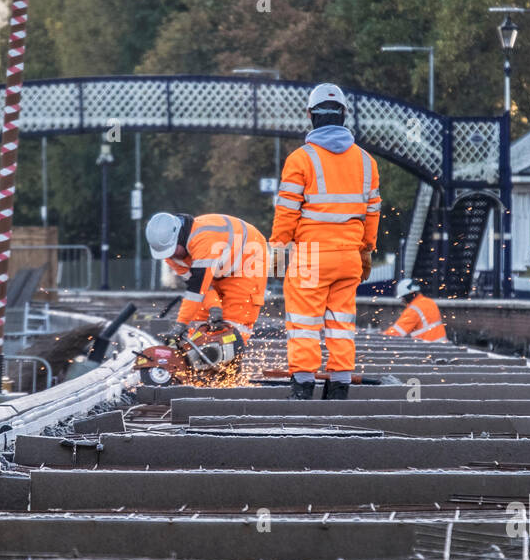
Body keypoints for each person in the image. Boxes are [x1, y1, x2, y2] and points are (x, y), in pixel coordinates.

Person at [270, 82, 381, 400]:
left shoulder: (300, 159)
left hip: (312, 257)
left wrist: (278, 252)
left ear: (310, 115)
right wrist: (366, 250)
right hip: (348, 257)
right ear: (344, 114)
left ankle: (303, 387)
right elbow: (372, 212)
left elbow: (287, 210)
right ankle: (339, 386)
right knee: (341, 321)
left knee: (304, 323)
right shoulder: (366, 161)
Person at [145, 212, 268, 341]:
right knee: (199, 320)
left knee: (235, 320)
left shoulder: (202, 239)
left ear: (180, 237)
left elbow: (196, 289)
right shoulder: (171, 257)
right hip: (220, 265)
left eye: (173, 249)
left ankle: (230, 353)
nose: (171, 256)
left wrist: (181, 324)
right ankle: (198, 353)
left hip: (247, 257)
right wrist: (214, 307)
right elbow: (203, 288)